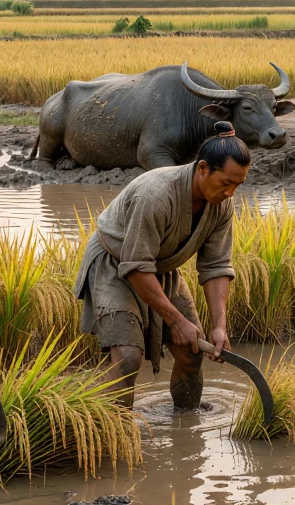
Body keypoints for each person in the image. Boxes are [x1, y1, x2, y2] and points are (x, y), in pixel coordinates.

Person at [73, 121, 246, 409]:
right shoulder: (154, 195)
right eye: (226, 182)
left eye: (238, 184)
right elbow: (137, 266)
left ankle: (187, 427)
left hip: (161, 267)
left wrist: (220, 326)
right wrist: (176, 320)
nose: (230, 192)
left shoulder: (221, 204)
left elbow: (216, 266)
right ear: (202, 168)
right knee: (128, 357)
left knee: (192, 351)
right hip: (114, 264)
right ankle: (112, 433)